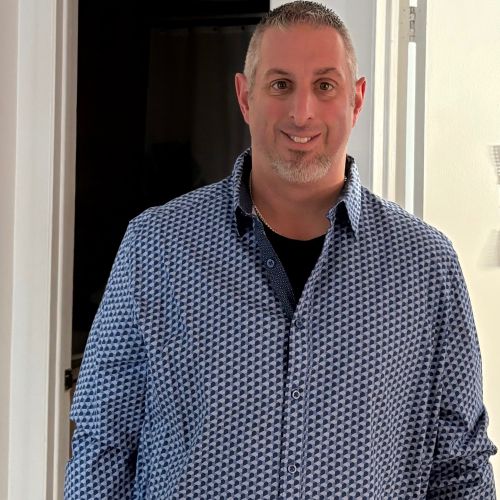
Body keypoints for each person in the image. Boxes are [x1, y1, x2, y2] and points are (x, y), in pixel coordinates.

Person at [65, 1, 497, 498]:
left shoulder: (426, 265)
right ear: (245, 97)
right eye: (280, 85)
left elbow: (460, 464)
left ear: (357, 99)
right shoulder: (156, 246)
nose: (301, 112)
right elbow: (102, 440)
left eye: (325, 85)